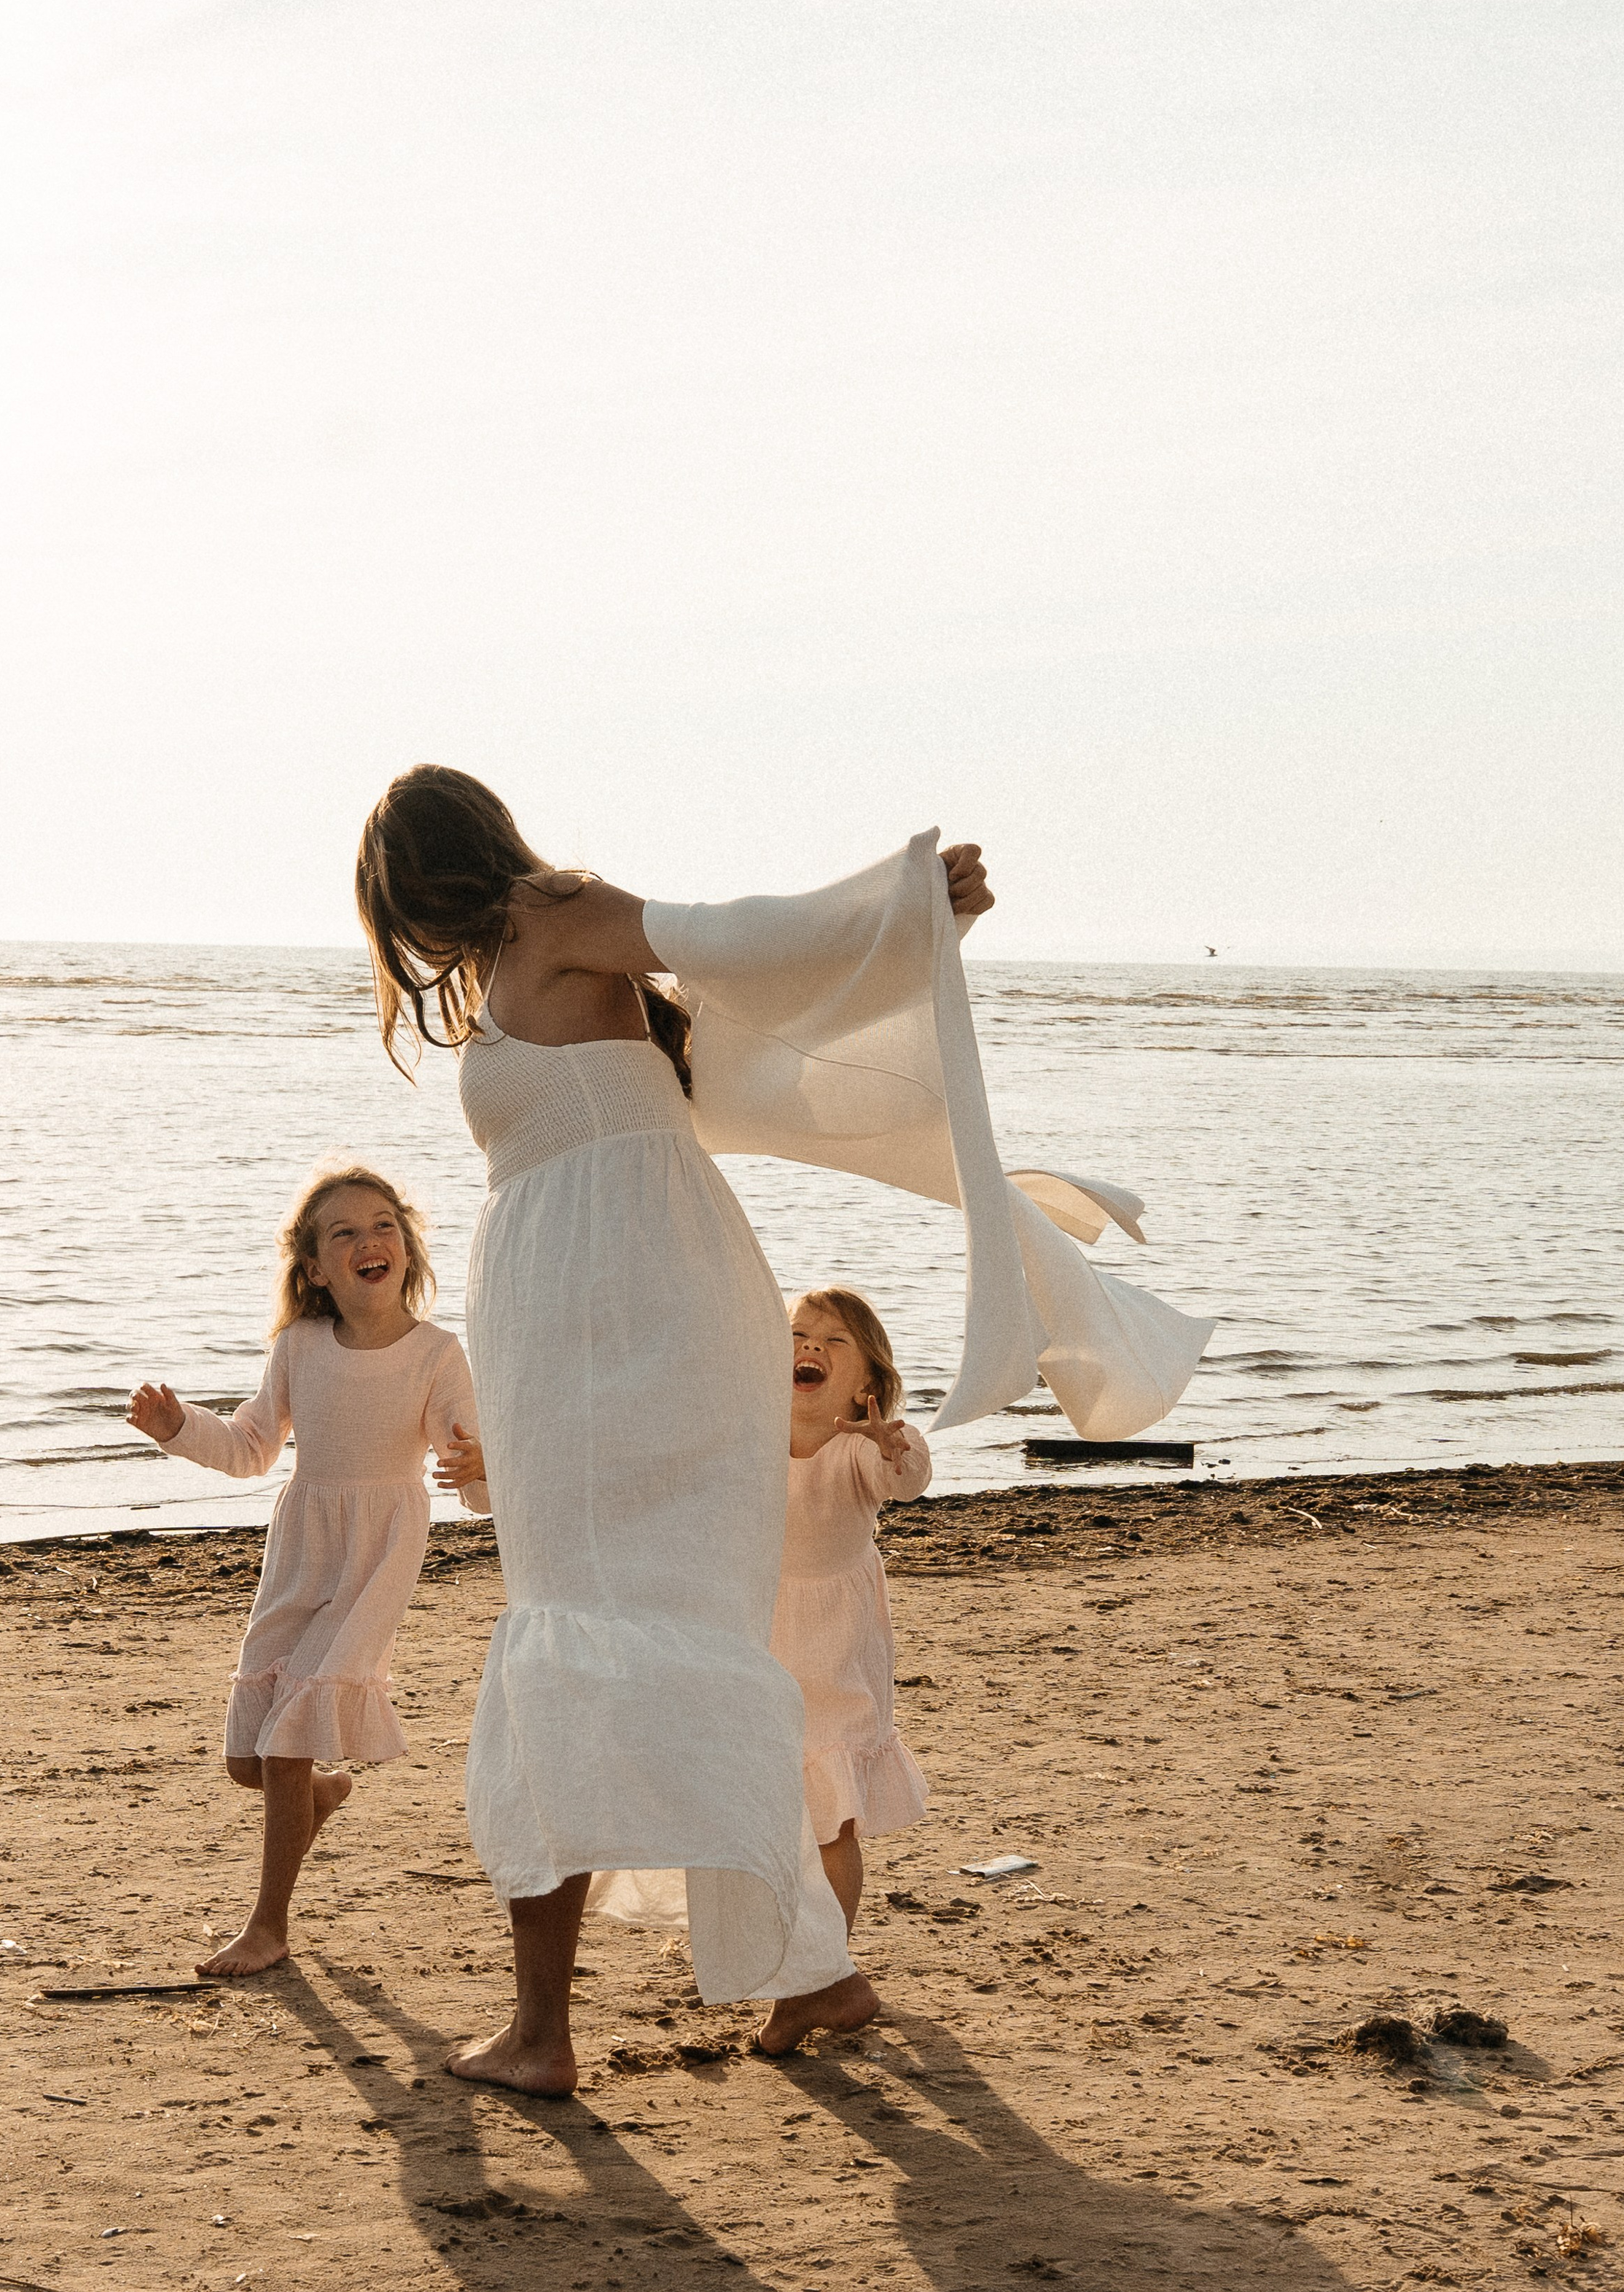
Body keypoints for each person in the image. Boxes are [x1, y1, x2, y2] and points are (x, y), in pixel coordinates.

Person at [356, 766, 996, 2093]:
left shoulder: (556, 913)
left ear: (425, 879)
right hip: (606, 1317)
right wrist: (894, 937)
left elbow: (728, 935)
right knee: (630, 1639)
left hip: (627, 1325)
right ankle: (813, 1971)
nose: (411, 942)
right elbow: (734, 1042)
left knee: (580, 1645)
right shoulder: (529, 960)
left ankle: (546, 2033)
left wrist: (899, 914)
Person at [126, 1163, 488, 1977]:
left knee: (286, 1742)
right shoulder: (299, 1346)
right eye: (345, 1232)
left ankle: (268, 1927)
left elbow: (466, 1452)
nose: (370, 1241)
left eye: (384, 1224)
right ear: (315, 1268)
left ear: (408, 1247)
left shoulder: (436, 1352)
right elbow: (253, 1447)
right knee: (248, 1761)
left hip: (379, 1551)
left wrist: (478, 1466)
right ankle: (317, 1797)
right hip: (302, 1548)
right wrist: (179, 1428)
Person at [762, 1287, 932, 2047]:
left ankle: (822, 1978)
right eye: (801, 1334)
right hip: (757, 1638)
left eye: (835, 1342)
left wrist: (898, 1447)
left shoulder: (860, 1450)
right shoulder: (748, 1433)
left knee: (830, 1809)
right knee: (772, 1809)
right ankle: (800, 1970)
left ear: (865, 1385)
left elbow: (903, 1478)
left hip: (834, 1646)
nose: (812, 1348)